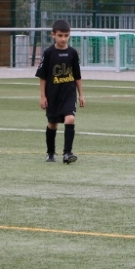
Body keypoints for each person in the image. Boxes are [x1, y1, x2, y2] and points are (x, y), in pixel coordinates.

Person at [36, 20, 85, 163]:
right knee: (52, 123)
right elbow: (43, 76)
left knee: (70, 119)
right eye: (60, 35)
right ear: (53, 35)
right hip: (53, 94)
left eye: (66, 35)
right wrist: (43, 96)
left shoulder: (72, 53)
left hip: (69, 93)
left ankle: (67, 153)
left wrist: (81, 94)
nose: (63, 39)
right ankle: (50, 152)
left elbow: (77, 76)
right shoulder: (49, 53)